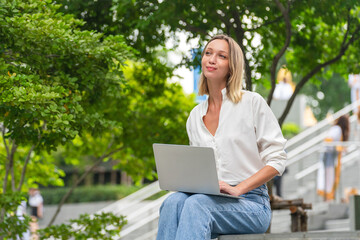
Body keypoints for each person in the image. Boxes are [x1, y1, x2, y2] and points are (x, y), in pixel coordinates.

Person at [156, 34, 287, 239]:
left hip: (251, 203)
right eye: (208, 53)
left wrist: (238, 189)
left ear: (232, 66)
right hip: (208, 198)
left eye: (221, 56)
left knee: (197, 205)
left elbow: (278, 160)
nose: (212, 59)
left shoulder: (252, 103)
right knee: (172, 203)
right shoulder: (194, 116)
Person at [316, 115, 350, 202]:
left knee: (330, 178)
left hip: (331, 156)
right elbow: (329, 140)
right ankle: (328, 198)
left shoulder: (337, 129)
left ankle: (329, 198)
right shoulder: (337, 129)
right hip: (329, 157)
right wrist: (339, 148)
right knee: (329, 178)